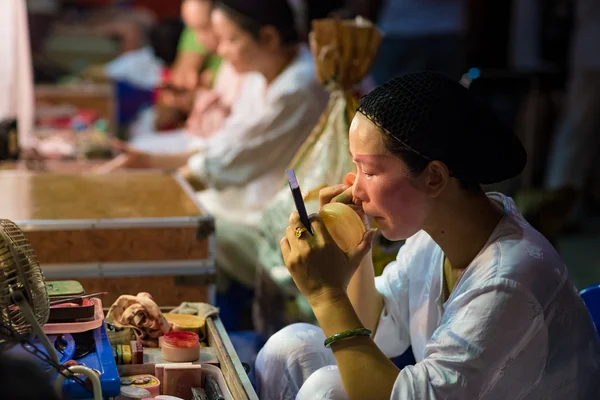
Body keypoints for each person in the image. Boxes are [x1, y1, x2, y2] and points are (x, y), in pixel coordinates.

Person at [255, 71, 600, 399]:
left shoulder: (508, 280)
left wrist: (326, 295)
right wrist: (351, 243)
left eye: (369, 170)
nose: (354, 189)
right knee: (292, 346)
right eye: (355, 167)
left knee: (327, 389)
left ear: (434, 177)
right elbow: (374, 331)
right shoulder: (431, 239)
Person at [101, 0, 327, 300]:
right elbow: (222, 149)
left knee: (171, 235)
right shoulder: (262, 74)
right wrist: (147, 161)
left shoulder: (298, 86)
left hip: (274, 226)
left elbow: (221, 166)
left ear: (269, 38)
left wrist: (144, 187)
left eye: (231, 39)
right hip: (244, 206)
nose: (220, 50)